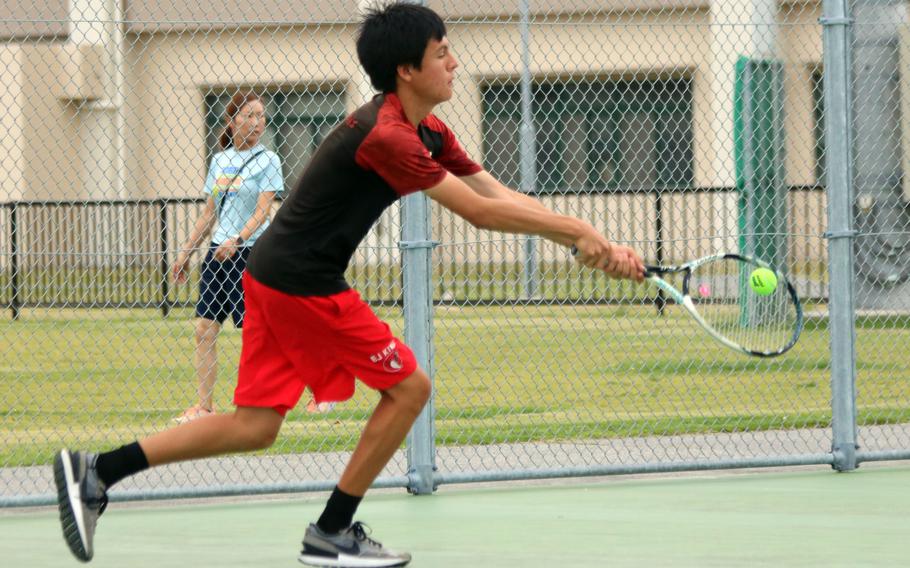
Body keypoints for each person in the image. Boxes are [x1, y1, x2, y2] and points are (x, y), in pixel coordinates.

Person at [53, 3, 645, 567]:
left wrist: (594, 242)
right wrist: (576, 231)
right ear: (406, 70)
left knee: (255, 426)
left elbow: (495, 192)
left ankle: (96, 473)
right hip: (301, 283)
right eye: (443, 53)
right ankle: (333, 531)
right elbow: (479, 214)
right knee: (410, 387)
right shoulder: (387, 136)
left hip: (273, 276)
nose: (455, 63)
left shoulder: (428, 131)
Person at [171, 91, 282, 424]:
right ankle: (204, 406)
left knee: (255, 331)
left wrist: (238, 239)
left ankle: (263, 400)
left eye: (261, 115)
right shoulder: (219, 161)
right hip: (217, 255)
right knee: (204, 329)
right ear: (231, 121)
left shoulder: (269, 160)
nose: (256, 121)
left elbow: (263, 211)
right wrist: (186, 252)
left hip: (250, 254)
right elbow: (209, 214)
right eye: (248, 115)